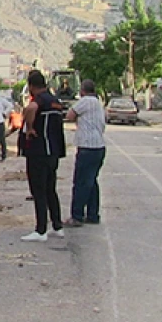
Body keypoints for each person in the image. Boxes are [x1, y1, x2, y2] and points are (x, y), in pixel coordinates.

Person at [20, 71, 67, 241]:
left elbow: (31, 108)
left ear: (32, 86)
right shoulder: (55, 101)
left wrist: (30, 126)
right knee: (50, 190)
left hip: (39, 152)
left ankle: (40, 230)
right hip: (53, 152)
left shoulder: (39, 101)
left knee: (38, 190)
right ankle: (57, 225)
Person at [63, 79, 105, 227]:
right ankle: (93, 214)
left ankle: (77, 215)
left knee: (81, 182)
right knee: (91, 182)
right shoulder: (97, 103)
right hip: (99, 146)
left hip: (87, 147)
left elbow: (69, 115)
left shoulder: (85, 101)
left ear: (82, 91)